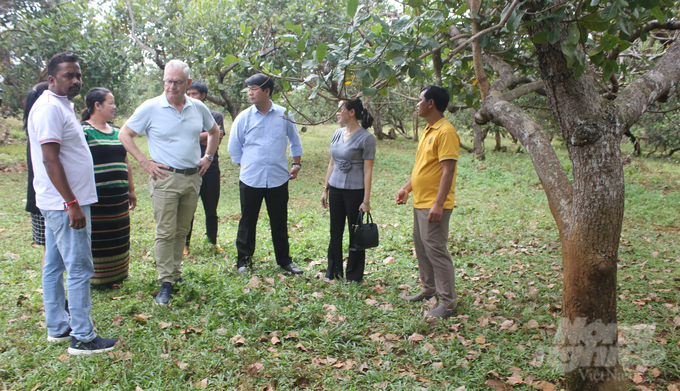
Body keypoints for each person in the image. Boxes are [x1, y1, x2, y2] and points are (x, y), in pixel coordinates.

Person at [27, 52, 118, 354]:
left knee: (54, 265)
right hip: (65, 204)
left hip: (60, 202)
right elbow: (50, 159)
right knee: (79, 267)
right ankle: (83, 336)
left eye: (78, 75)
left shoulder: (59, 106)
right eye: (68, 75)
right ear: (51, 79)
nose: (76, 80)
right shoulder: (50, 109)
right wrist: (73, 203)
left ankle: (58, 327)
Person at [119, 59, 220, 305]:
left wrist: (208, 157)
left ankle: (175, 273)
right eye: (167, 81)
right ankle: (166, 281)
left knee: (181, 231)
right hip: (165, 177)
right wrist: (145, 163)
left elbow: (215, 131)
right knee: (165, 231)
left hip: (192, 177)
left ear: (188, 83)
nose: (171, 86)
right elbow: (125, 134)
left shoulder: (197, 107)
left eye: (177, 82)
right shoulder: (151, 107)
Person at [228, 74, 304, 275]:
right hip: (251, 178)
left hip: (278, 178)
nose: (250, 93)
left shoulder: (283, 114)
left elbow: (294, 141)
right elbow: (234, 146)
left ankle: (285, 261)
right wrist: (244, 166)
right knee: (248, 220)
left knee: (279, 220)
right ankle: (243, 261)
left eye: (254, 88)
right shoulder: (244, 117)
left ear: (267, 91)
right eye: (248, 89)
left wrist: (296, 164)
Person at [395, 85, 460, 319]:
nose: (417, 103)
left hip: (434, 204)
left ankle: (448, 302)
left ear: (431, 103)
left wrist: (439, 204)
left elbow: (448, 171)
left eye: (420, 100)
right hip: (420, 201)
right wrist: (406, 187)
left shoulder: (446, 131)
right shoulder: (427, 130)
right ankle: (429, 290)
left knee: (436, 250)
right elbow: (423, 167)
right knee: (422, 248)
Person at [80, 87, 137, 288]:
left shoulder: (118, 132)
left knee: (118, 235)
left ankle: (118, 275)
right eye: (110, 103)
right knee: (99, 237)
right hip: (96, 197)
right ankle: (97, 279)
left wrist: (131, 189)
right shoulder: (83, 131)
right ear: (97, 105)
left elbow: (126, 161)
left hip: (118, 196)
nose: (114, 107)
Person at [320, 99, 375, 282]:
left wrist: (366, 201)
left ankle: (354, 275)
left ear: (351, 112)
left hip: (355, 191)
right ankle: (333, 272)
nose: (337, 113)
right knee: (335, 232)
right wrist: (325, 189)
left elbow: (368, 171)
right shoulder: (337, 134)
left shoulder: (367, 138)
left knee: (355, 233)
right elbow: (331, 163)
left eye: (340, 109)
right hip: (335, 189)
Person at [184, 81, 225, 254]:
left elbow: (217, 138)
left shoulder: (215, 115)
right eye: (189, 94)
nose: (191, 97)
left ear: (203, 95)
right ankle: (185, 244)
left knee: (211, 208)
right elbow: (185, 139)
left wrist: (205, 136)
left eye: (194, 94)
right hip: (189, 166)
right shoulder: (184, 115)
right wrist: (209, 134)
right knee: (187, 208)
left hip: (211, 167)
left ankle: (212, 242)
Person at [24, 82, 49, 250]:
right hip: (47, 197)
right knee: (52, 248)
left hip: (41, 196)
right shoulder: (42, 128)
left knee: (52, 249)